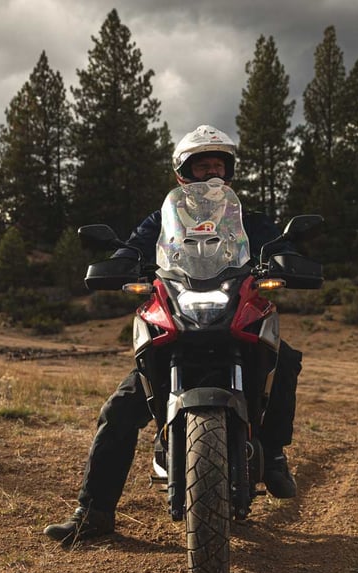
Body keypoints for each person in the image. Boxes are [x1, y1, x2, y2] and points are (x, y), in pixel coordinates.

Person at [44, 125, 304, 545]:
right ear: (183, 174)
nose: (211, 176)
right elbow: (130, 251)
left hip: (235, 308)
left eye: (218, 167)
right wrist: (120, 264)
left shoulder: (247, 221)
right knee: (121, 409)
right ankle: (93, 513)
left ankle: (272, 453)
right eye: (202, 168)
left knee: (284, 359)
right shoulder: (159, 222)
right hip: (178, 311)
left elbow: (279, 248)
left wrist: (288, 259)